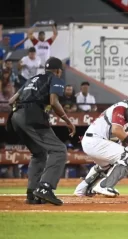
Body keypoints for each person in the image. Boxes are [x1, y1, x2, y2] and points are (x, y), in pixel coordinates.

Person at [8, 57, 76, 205]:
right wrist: (67, 120)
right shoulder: (55, 78)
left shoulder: (32, 79)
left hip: (15, 117)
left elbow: (11, 100)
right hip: (32, 115)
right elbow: (53, 101)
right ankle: (45, 188)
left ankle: (32, 193)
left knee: (39, 154)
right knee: (59, 150)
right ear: (58, 71)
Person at [73, 87, 128, 197]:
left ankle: (83, 189)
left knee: (108, 165)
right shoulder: (123, 107)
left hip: (94, 141)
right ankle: (104, 186)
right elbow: (116, 130)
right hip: (95, 140)